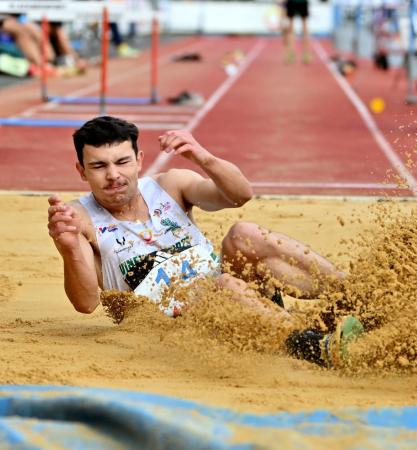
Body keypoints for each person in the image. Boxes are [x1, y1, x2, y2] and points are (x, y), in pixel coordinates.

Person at [46, 116, 362, 367]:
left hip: (236, 299)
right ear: (81, 171)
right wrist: (70, 248)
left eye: (122, 162)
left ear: (140, 160)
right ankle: (314, 345)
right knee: (224, 286)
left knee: (244, 234)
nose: (113, 175)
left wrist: (201, 156)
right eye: (99, 166)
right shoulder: (79, 219)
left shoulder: (170, 185)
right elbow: (86, 304)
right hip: (171, 328)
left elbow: (240, 195)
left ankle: (358, 297)